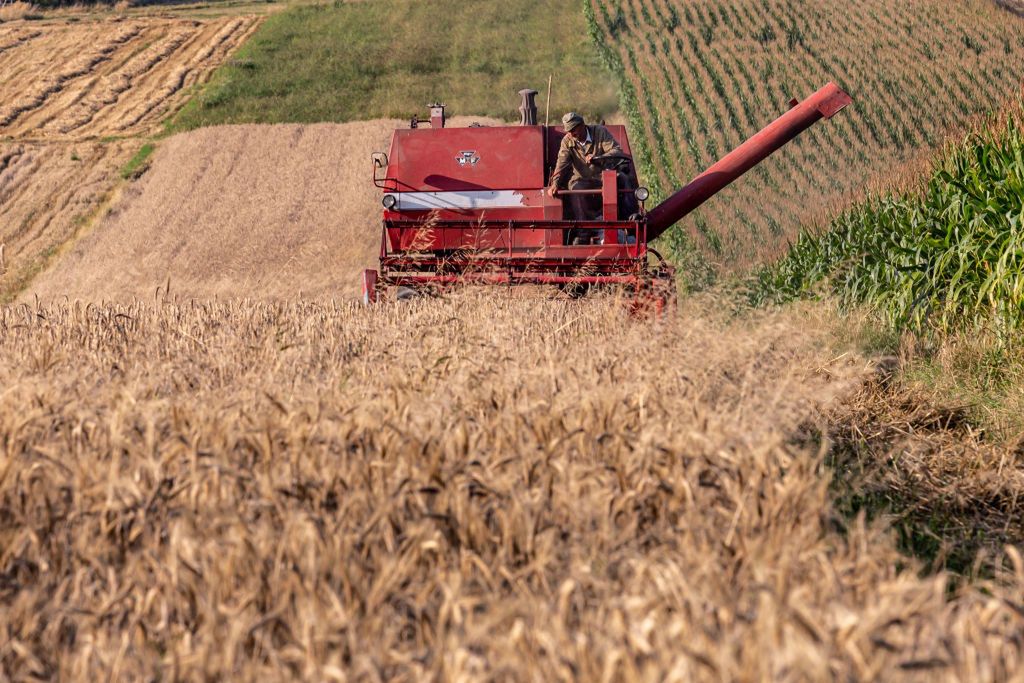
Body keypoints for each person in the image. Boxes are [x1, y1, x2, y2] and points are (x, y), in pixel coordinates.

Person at [547, 112, 634, 242]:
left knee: (623, 179)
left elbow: (616, 150)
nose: (571, 134)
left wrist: (600, 158)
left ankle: (631, 221)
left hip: (603, 176)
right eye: (568, 131)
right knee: (575, 188)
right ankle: (584, 231)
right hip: (582, 179)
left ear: (582, 125)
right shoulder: (567, 141)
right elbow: (562, 163)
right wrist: (555, 183)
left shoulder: (600, 132)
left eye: (573, 130)